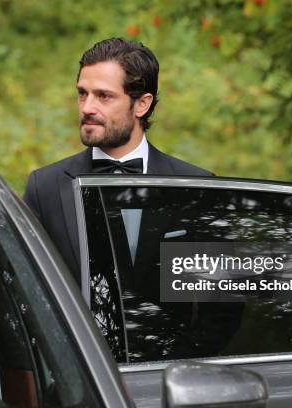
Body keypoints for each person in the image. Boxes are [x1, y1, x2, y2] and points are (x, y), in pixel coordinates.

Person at [23, 38, 213, 285]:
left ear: (142, 105)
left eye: (104, 96)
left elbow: (218, 303)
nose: (87, 107)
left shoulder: (197, 187)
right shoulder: (44, 186)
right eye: (82, 94)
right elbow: (18, 284)